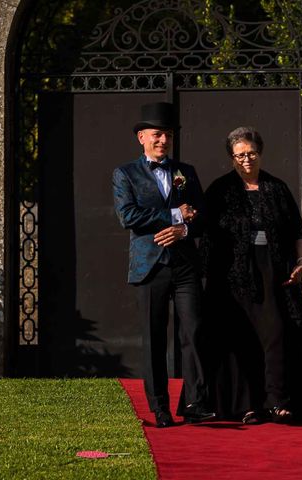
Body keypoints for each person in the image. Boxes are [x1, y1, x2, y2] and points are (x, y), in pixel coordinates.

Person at [204, 126, 302, 424]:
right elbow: (208, 236)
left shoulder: (276, 188)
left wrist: (301, 261)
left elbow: (298, 230)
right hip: (233, 274)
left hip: (273, 269)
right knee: (241, 335)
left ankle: (277, 401)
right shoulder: (220, 189)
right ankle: (246, 405)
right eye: (239, 155)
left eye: (250, 153)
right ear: (231, 158)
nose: (245, 160)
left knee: (275, 334)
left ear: (259, 153)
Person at [112, 102, 215, 428]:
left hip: (185, 264)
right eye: (156, 135)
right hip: (150, 266)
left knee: (194, 331)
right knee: (154, 337)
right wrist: (173, 216)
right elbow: (127, 216)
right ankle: (160, 409)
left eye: (167, 135)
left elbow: (202, 216)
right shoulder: (124, 173)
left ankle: (195, 402)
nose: (162, 140)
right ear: (142, 137)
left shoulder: (187, 172)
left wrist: (184, 228)